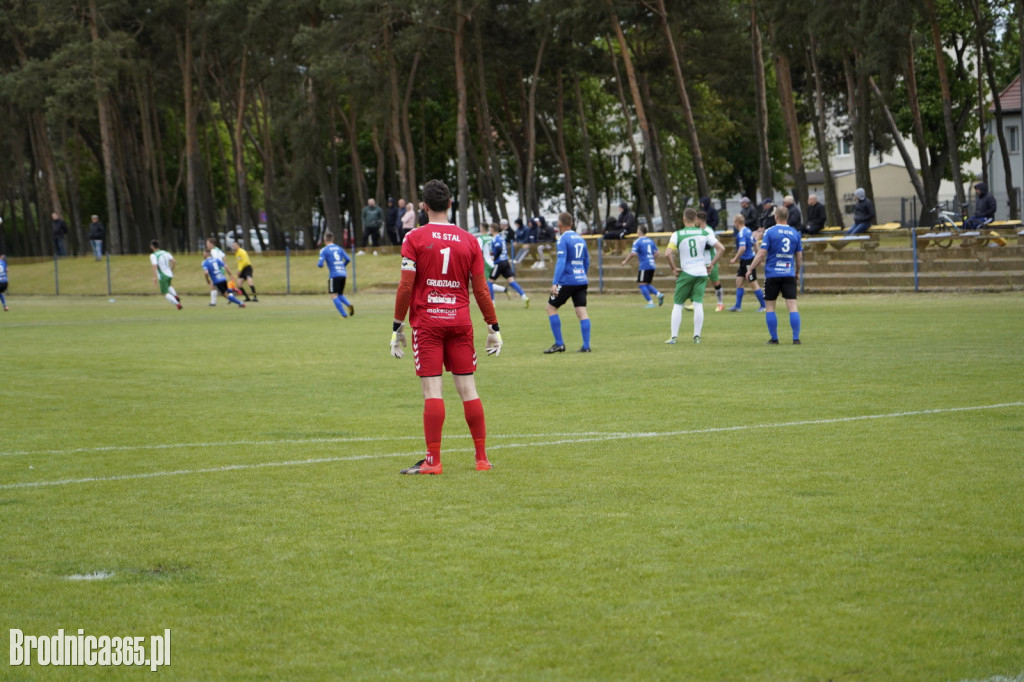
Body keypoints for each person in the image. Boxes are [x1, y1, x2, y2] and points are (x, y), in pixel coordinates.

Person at [389, 179, 501, 475]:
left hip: (428, 323)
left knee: (432, 390)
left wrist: (397, 326)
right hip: (460, 322)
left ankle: (433, 461)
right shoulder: (470, 240)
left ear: (424, 207)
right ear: (450, 204)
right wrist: (494, 327)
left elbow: (405, 286)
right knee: (468, 389)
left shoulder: (413, 238)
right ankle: (481, 459)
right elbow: (481, 290)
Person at [664, 207, 724, 344]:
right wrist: (712, 263)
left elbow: (667, 253)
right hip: (701, 272)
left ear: (684, 219)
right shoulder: (704, 233)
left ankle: (674, 337)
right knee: (698, 303)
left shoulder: (677, 234)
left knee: (678, 304)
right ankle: (697, 336)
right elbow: (721, 248)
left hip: (686, 272)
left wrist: (674, 268)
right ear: (696, 219)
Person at [747, 205, 803, 344]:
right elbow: (799, 256)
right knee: (792, 306)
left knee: (770, 306)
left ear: (776, 217)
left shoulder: (770, 232)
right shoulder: (795, 233)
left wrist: (750, 269)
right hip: (789, 272)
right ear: (788, 217)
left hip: (772, 274)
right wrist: (797, 272)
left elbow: (761, 253)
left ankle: (774, 338)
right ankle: (795, 339)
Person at [544, 212, 591, 353]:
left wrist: (555, 282)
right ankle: (586, 346)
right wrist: (582, 274)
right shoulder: (580, 239)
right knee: (582, 312)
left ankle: (559, 344)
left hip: (566, 281)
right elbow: (586, 261)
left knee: (551, 308)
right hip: (581, 280)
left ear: (559, 225)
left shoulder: (562, 239)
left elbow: (561, 261)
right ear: (571, 223)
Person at [727, 214, 766, 312]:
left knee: (753, 283)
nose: (734, 224)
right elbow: (755, 243)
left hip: (748, 260)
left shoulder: (742, 233)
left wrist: (735, 258)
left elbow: (743, 248)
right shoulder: (748, 231)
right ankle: (738, 306)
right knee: (739, 282)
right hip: (746, 260)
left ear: (737, 222)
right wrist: (758, 257)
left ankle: (764, 305)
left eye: (734, 222)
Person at [621, 225, 664, 308]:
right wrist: (651, 258)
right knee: (646, 283)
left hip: (644, 266)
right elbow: (657, 252)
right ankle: (659, 294)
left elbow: (632, 253)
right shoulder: (650, 241)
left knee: (641, 284)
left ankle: (650, 302)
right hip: (652, 265)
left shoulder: (637, 242)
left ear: (639, 231)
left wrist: (625, 261)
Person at [488, 221, 529, 307]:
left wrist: (494, 256)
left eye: (490, 228)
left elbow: (498, 249)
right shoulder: (501, 237)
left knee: (490, 282)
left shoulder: (495, 238)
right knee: (511, 281)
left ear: (492, 229)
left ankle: (492, 303)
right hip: (506, 262)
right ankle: (524, 296)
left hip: (499, 263)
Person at [317, 231, 354, 318]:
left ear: (324, 239)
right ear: (333, 239)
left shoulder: (324, 250)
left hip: (334, 275)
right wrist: (342, 267)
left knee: (333, 295)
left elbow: (320, 264)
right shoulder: (339, 248)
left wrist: (321, 264)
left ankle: (344, 315)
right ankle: (348, 305)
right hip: (343, 274)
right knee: (339, 294)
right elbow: (348, 259)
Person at [696, 210, 725, 312]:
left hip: (710, 260)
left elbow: (710, 245)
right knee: (698, 281)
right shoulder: (698, 230)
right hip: (701, 260)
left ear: (700, 219)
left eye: (696, 219)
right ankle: (695, 302)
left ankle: (720, 303)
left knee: (715, 282)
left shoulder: (709, 230)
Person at [149, 240, 182, 309]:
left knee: (165, 292)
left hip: (162, 275)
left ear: (152, 247)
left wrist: (154, 277)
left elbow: (154, 266)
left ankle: (177, 304)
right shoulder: (165, 252)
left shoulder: (153, 255)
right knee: (168, 286)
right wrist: (171, 270)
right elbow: (174, 261)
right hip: (169, 274)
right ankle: (175, 295)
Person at [478, 224, 507, 300]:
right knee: (488, 283)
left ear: (482, 228)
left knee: (487, 283)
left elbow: (479, 251)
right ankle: (504, 289)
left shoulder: (481, 239)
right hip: (492, 262)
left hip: (485, 262)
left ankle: (492, 301)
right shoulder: (491, 238)